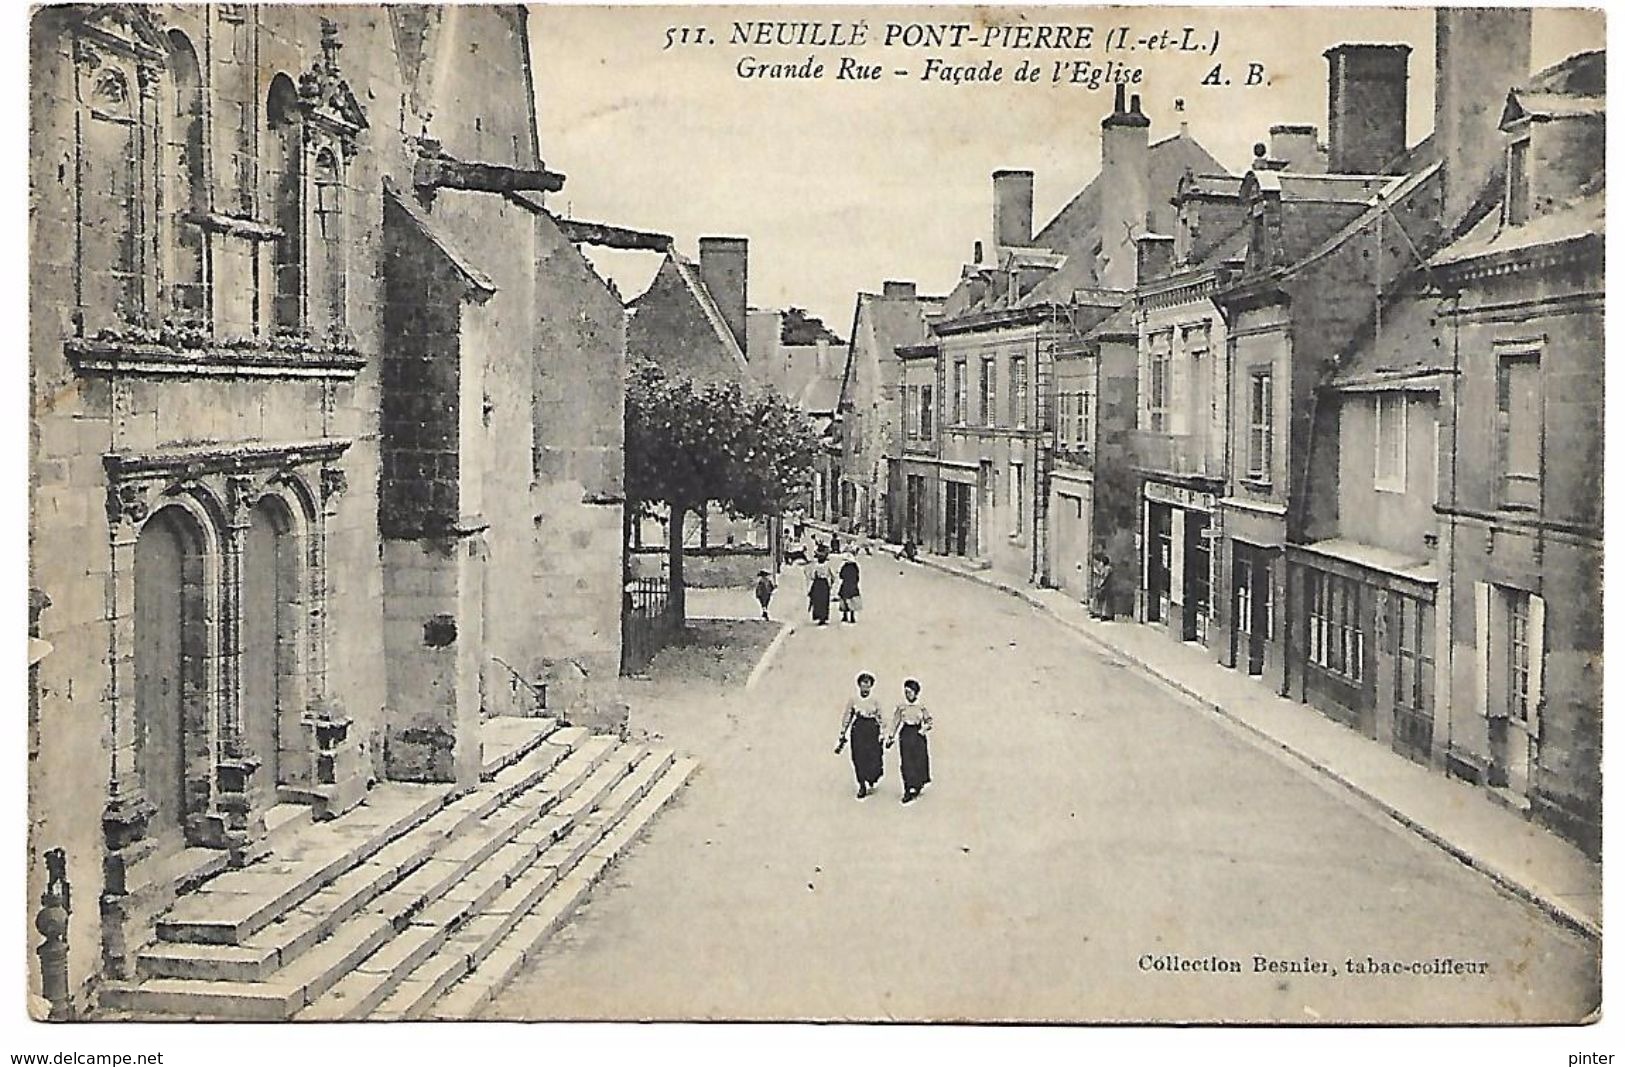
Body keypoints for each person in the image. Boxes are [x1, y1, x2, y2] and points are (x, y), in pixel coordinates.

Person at [835, 671, 885, 799]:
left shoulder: (875, 701)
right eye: (863, 684)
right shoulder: (854, 700)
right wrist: (843, 732)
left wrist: (883, 734)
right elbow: (847, 716)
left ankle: (872, 777)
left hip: (872, 730)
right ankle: (862, 784)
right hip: (858, 729)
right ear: (859, 685)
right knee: (858, 757)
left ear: (871, 686)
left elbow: (881, 718)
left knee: (873, 756)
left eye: (867, 684)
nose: (865, 687)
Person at [886, 678, 933, 803]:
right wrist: (891, 737)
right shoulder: (902, 707)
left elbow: (929, 721)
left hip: (918, 736)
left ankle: (917, 785)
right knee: (906, 762)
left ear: (916, 693)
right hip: (906, 734)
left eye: (910, 692)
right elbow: (895, 721)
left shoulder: (921, 706)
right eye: (906, 691)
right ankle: (907, 789)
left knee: (919, 761)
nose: (907, 694)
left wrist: (922, 730)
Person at [806, 550, 833, 626]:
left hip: (817, 583)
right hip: (824, 583)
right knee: (824, 601)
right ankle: (823, 617)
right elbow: (832, 575)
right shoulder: (827, 566)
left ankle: (819, 616)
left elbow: (812, 576)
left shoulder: (815, 566)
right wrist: (831, 584)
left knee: (817, 601)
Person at [837, 553, 862, 624]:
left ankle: (845, 616)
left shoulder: (845, 567)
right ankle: (852, 617)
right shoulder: (855, 567)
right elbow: (857, 577)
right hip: (853, 586)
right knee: (852, 601)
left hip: (845, 585)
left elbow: (841, 575)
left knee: (844, 600)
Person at [1090, 551, 1114, 621]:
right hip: (1105, 587)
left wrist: (1099, 585)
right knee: (1100, 600)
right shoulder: (1106, 568)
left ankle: (1102, 614)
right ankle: (1099, 613)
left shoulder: (1107, 569)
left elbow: (1104, 578)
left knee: (1102, 601)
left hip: (1104, 587)